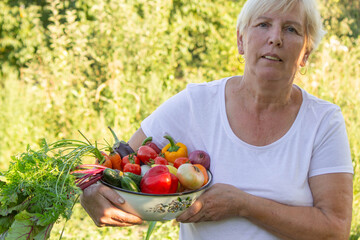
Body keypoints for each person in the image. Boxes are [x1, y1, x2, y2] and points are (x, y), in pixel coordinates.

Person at [80, 0, 354, 239]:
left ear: (306, 52)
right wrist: (90, 192)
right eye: (262, 25)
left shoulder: (322, 121)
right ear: (240, 40)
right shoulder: (196, 104)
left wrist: (243, 205)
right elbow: (121, 160)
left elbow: (335, 229)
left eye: (291, 29)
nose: (275, 38)